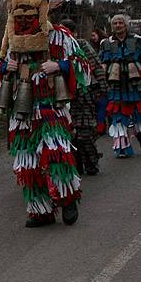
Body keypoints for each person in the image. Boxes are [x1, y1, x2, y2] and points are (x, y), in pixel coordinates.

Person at [0, 0, 87, 228]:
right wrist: (6, 67)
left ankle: (68, 200)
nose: (24, 22)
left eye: (29, 17)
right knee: (28, 162)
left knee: (58, 155)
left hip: (51, 107)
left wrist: (60, 66)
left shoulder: (60, 36)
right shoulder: (11, 40)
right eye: (20, 17)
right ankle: (40, 210)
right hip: (22, 110)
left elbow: (83, 67)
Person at [99, 15, 141, 158]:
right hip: (116, 84)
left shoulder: (136, 40)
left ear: (126, 25)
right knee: (118, 115)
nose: (118, 25)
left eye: (120, 23)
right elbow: (103, 61)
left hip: (135, 83)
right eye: (115, 23)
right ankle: (122, 148)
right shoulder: (107, 43)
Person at [60, 19, 104, 175]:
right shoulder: (56, 48)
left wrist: (101, 89)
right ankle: (76, 163)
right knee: (69, 133)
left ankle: (91, 162)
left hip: (83, 95)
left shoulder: (82, 45)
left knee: (85, 132)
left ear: (74, 33)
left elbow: (95, 66)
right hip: (64, 97)